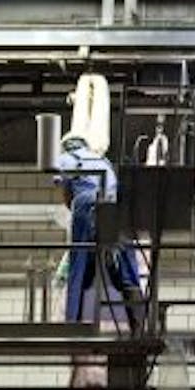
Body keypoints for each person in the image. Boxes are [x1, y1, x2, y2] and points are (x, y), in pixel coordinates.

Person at [53, 133, 142, 325]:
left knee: (78, 266)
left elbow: (66, 195)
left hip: (86, 203)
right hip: (118, 205)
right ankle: (139, 324)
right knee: (127, 268)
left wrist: (78, 216)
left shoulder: (65, 159)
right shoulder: (103, 160)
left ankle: (72, 325)